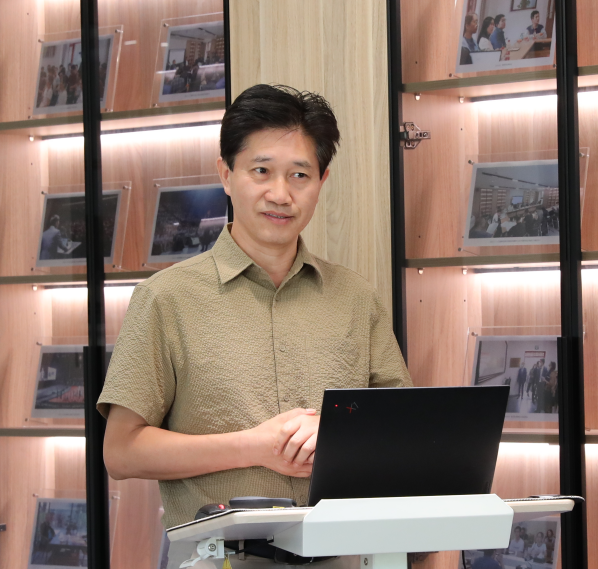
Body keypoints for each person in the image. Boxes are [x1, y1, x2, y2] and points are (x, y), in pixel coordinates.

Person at [98, 85, 412, 568]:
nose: (280, 194)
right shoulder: (165, 298)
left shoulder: (354, 297)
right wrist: (255, 447)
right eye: (261, 171)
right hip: (220, 559)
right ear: (226, 174)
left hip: (346, 555)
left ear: (322, 180)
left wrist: (338, 430)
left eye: (300, 175)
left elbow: (404, 427)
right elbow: (121, 452)